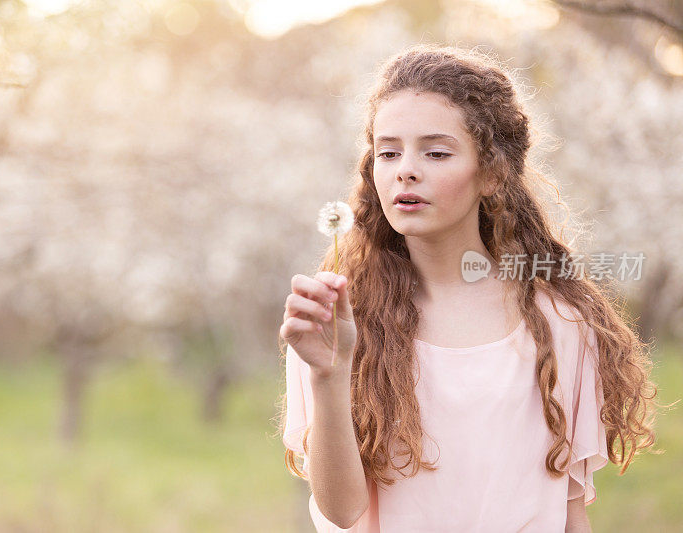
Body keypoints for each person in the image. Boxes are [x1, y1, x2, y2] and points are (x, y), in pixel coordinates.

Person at [276, 44, 659, 532]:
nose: (405, 170)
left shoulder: (558, 322)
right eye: (388, 152)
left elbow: (568, 513)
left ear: (494, 173)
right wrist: (328, 376)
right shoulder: (336, 323)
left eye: (436, 152)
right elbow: (342, 511)